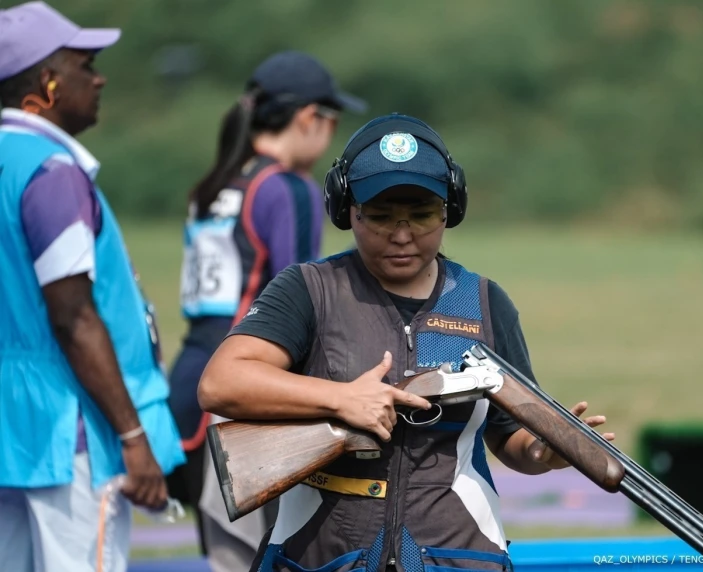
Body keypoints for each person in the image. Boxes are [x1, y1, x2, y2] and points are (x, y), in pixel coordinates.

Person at [197, 113, 615, 572]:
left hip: (455, 555)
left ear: (449, 211)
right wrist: (342, 399)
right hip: (322, 557)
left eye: (421, 216)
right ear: (346, 209)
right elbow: (221, 383)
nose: (401, 235)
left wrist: (541, 454)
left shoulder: (485, 302)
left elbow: (507, 434)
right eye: (379, 217)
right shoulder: (309, 288)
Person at [0, 2, 185, 571]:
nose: (99, 78)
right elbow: (73, 316)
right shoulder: (52, 173)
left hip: (12, 430)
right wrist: (132, 436)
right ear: (47, 82)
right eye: (86, 64)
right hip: (71, 429)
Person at [165, 50, 367, 569]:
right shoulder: (287, 189)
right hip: (248, 400)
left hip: (189, 393)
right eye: (331, 121)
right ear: (308, 119)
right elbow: (307, 306)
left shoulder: (213, 186)